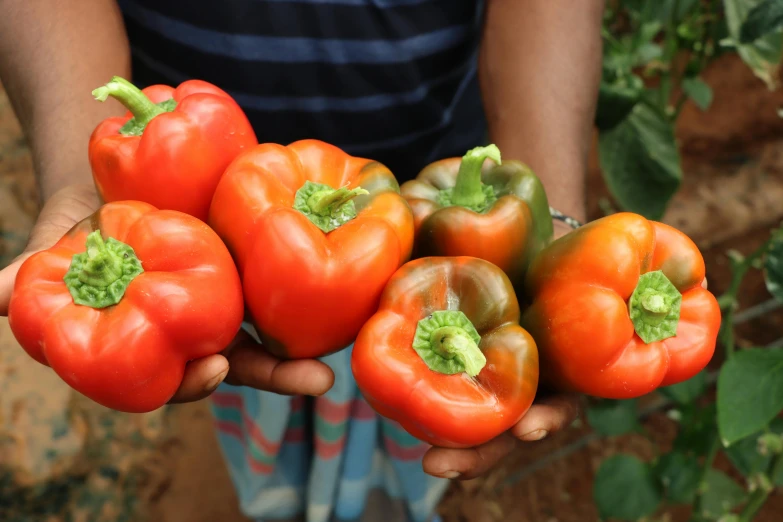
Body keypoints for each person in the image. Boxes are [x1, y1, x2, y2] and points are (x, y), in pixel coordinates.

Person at [0, 1, 603, 521]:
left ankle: (382, 503)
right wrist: (86, 184)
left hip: (434, 241)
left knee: (406, 435)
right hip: (210, 263)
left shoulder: (421, 234)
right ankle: (278, 500)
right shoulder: (180, 252)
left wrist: (551, 244)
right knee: (253, 395)